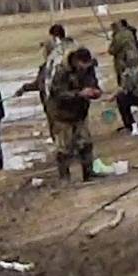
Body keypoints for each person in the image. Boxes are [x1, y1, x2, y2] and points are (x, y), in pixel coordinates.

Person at [45, 47, 104, 182]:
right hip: (62, 114)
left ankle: (89, 173)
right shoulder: (62, 71)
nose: (84, 68)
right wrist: (79, 94)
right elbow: (57, 93)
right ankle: (64, 177)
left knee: (86, 143)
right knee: (64, 147)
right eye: (82, 65)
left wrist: (95, 92)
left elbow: (93, 84)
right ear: (76, 61)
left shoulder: (89, 69)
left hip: (80, 112)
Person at [108, 18, 138, 94]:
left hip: (123, 60)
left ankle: (125, 93)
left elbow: (112, 50)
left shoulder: (118, 36)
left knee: (123, 78)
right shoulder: (130, 33)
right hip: (134, 57)